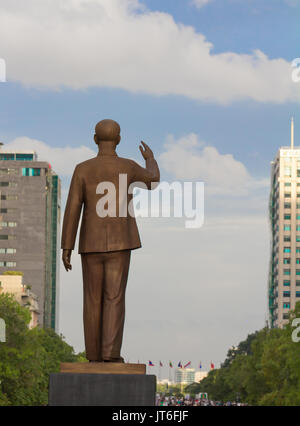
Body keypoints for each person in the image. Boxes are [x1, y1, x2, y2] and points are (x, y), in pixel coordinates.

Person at [61, 119, 160, 362]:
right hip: (120, 243)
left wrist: (67, 245)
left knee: (91, 298)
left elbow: (73, 208)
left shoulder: (82, 169)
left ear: (95, 139)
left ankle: (93, 356)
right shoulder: (128, 166)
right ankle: (110, 354)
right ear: (119, 140)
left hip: (90, 244)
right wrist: (150, 159)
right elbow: (153, 180)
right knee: (114, 297)